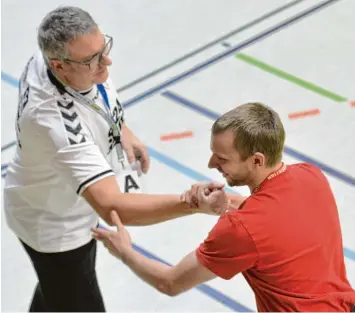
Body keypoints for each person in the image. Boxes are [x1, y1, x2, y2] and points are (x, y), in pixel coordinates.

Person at [2, 6, 229, 312]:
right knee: (69, 291)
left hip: (62, 203)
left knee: (57, 291)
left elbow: (96, 101)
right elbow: (111, 207)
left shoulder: (63, 65)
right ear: (59, 65)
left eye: (103, 48)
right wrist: (191, 203)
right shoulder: (56, 123)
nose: (106, 61)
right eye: (92, 59)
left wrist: (122, 130)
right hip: (55, 227)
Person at [93, 102, 355, 312]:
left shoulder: (239, 230)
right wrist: (225, 202)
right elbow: (273, 215)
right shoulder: (311, 176)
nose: (210, 164)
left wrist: (125, 251)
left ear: (257, 160)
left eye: (222, 159)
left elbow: (169, 282)